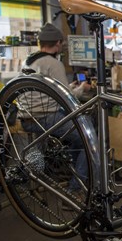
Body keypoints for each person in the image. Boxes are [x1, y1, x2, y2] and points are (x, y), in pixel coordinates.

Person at [21, 22, 91, 195]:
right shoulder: (54, 63)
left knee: (76, 139)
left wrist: (71, 87)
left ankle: (76, 174)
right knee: (88, 139)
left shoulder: (29, 60)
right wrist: (82, 88)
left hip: (26, 117)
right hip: (45, 117)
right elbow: (68, 97)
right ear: (58, 43)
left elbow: (56, 90)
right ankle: (76, 189)